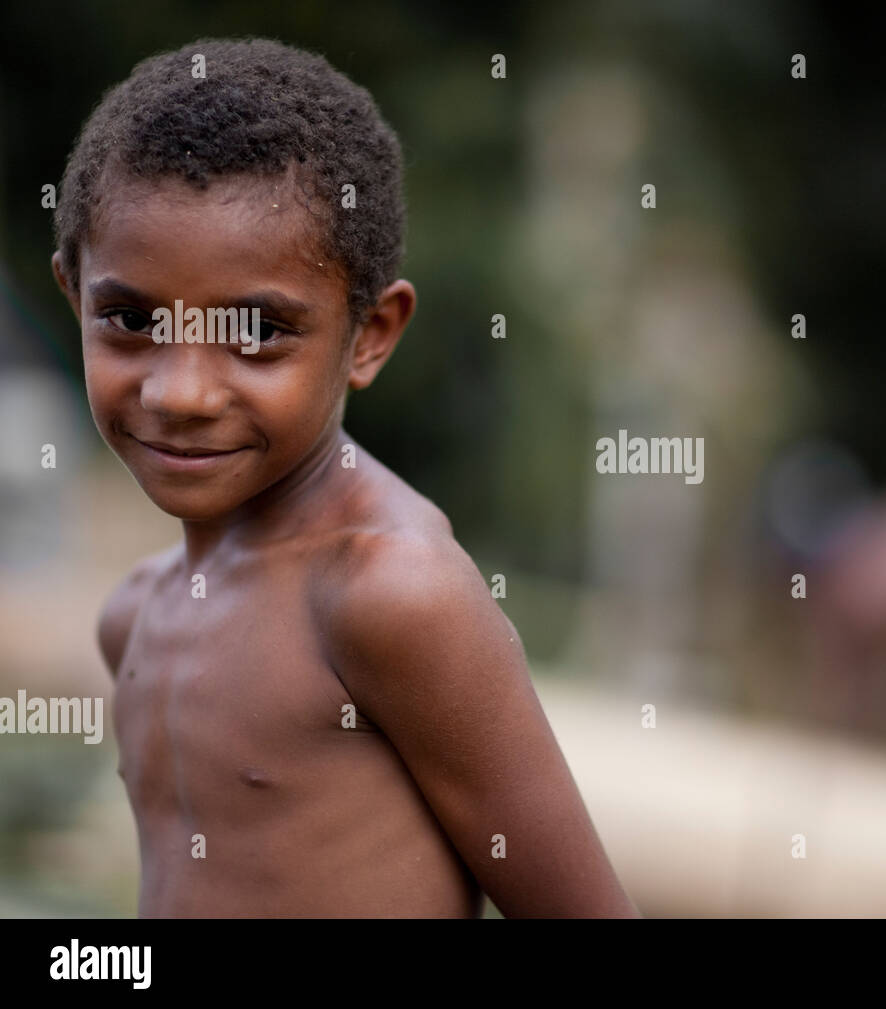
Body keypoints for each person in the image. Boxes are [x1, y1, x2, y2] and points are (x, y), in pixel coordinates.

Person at [50, 37, 638, 918]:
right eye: (130, 318)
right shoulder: (132, 617)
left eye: (258, 331)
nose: (181, 392)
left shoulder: (391, 595)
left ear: (370, 334)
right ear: (74, 298)